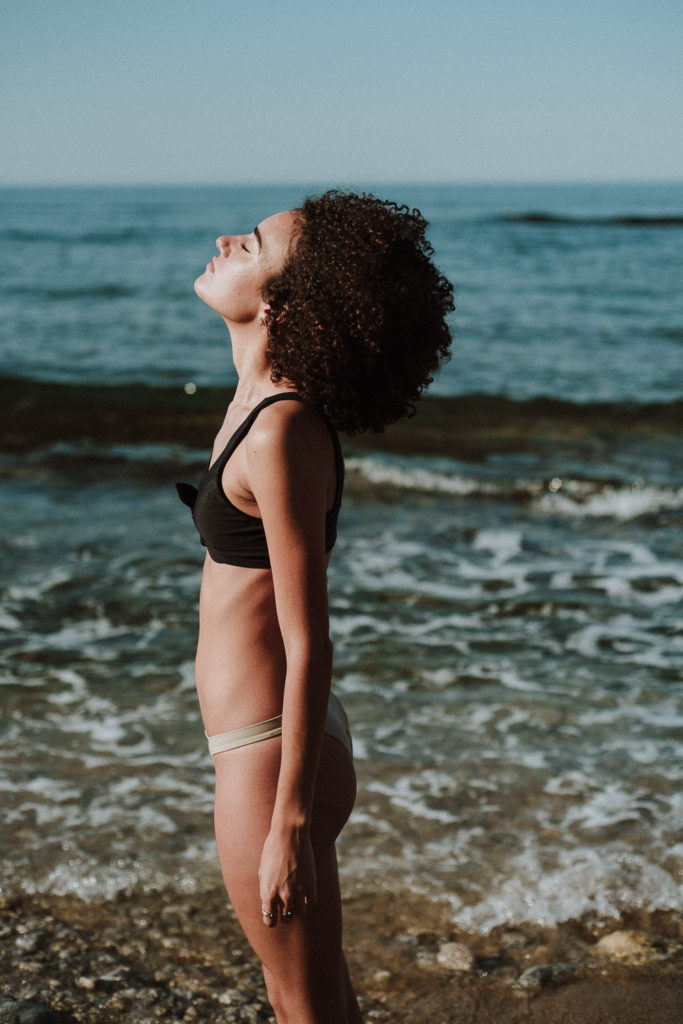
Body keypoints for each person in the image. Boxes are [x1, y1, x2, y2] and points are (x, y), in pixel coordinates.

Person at [177, 190, 453, 1023]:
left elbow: (309, 640)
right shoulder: (260, 407)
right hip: (265, 741)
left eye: (252, 244)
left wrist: (288, 823)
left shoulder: (280, 428)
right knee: (316, 995)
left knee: (302, 1007)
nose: (229, 239)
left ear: (281, 303)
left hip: (269, 754)